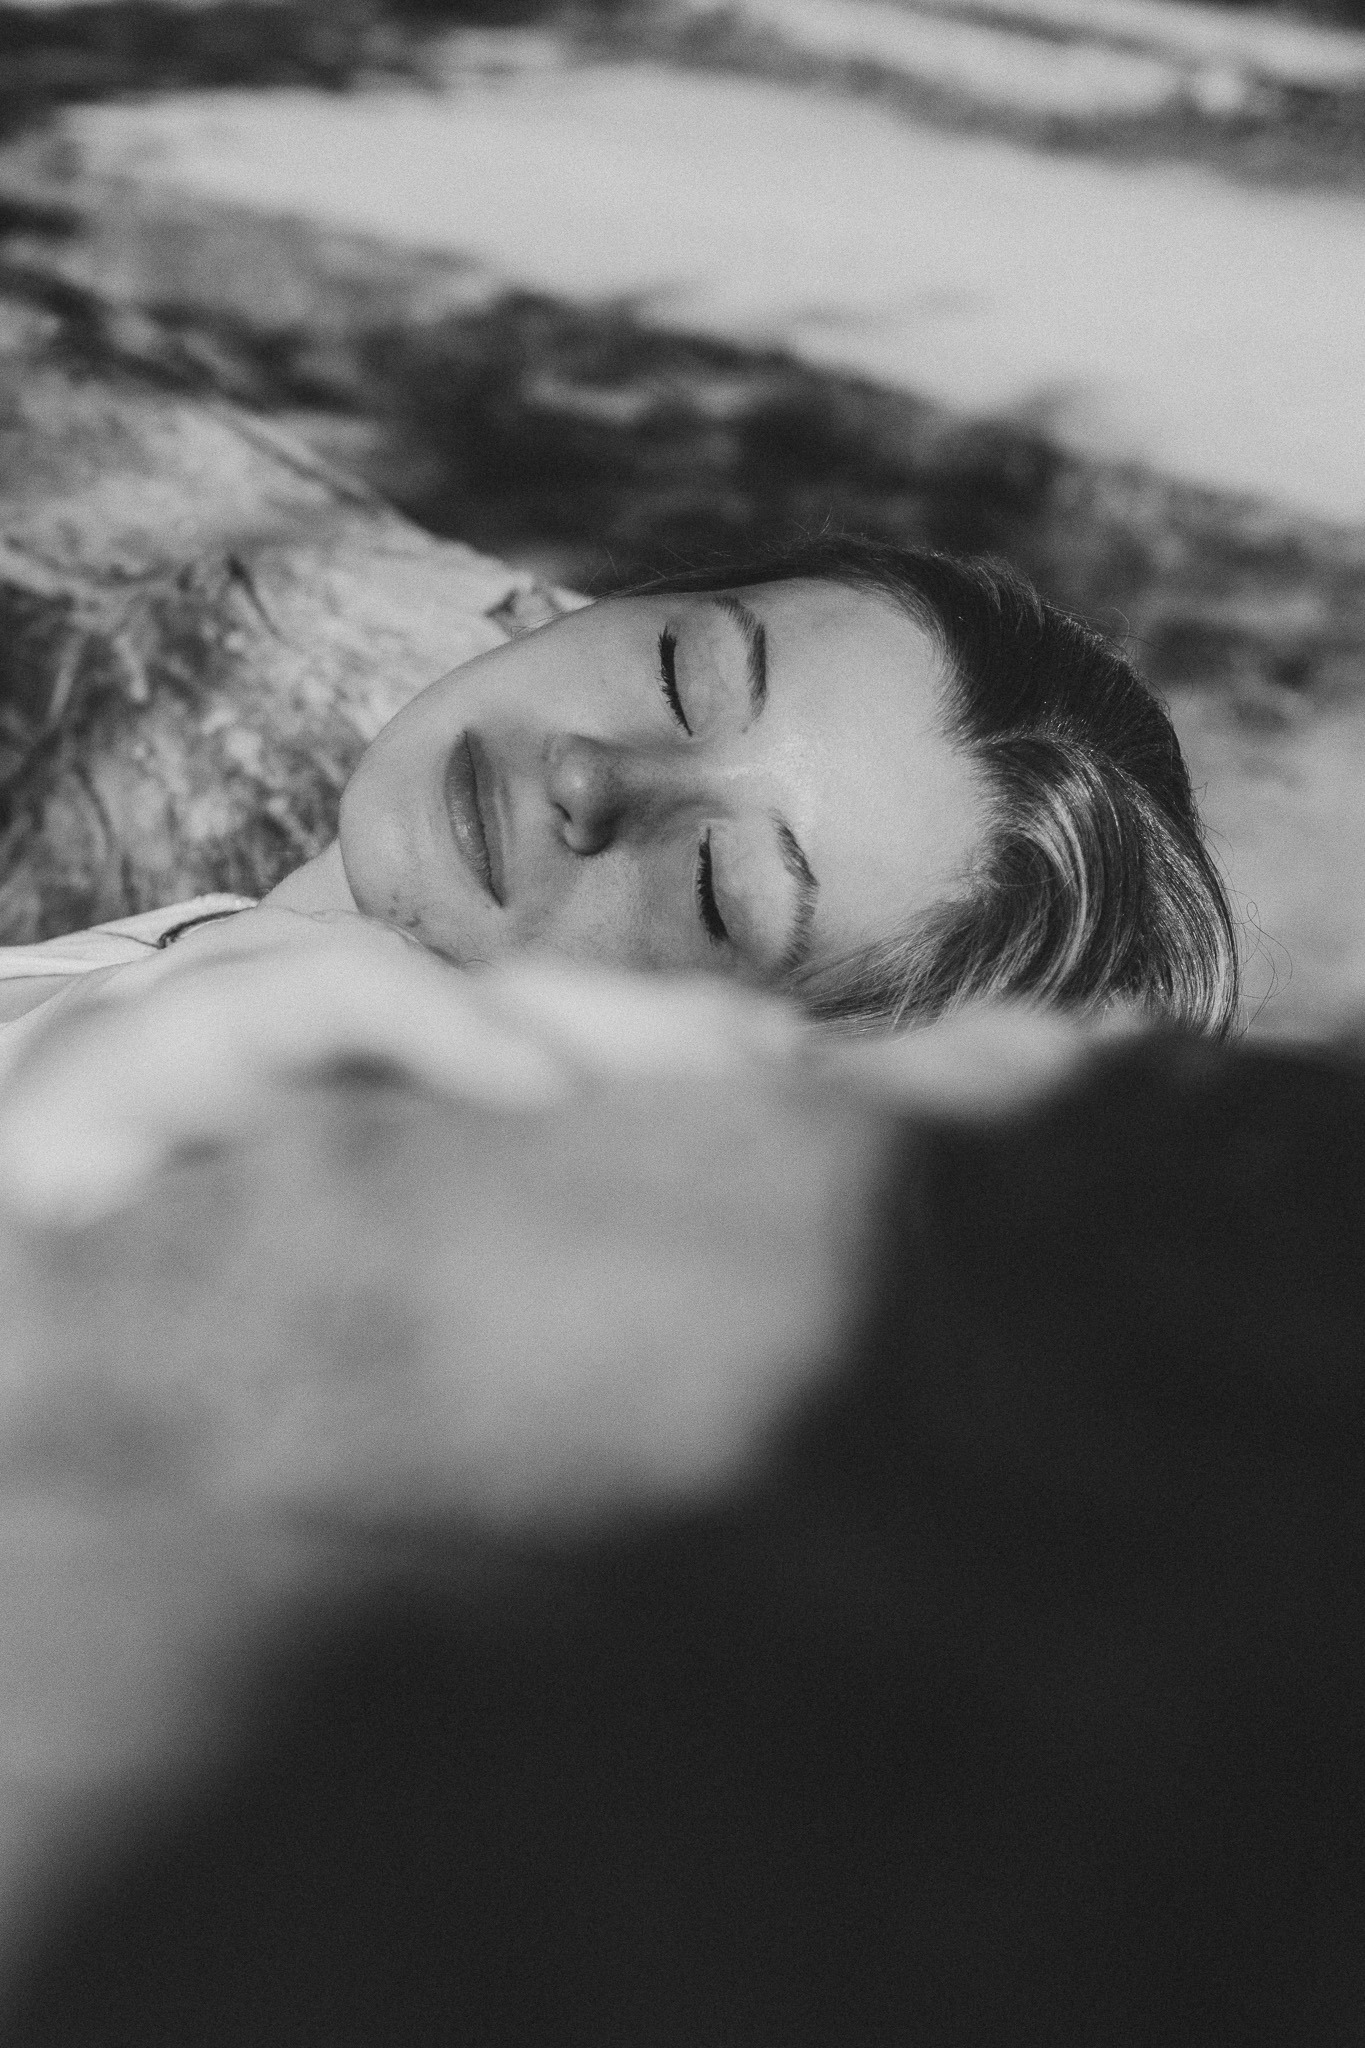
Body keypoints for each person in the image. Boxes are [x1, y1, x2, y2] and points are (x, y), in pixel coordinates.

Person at [0, 536, 1240, 1080]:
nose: (596, 776)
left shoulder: (184, 1164)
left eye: (716, 891)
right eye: (680, 670)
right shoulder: (211, 957)